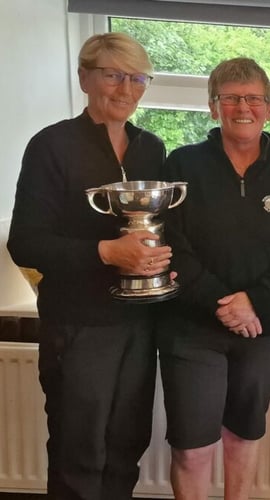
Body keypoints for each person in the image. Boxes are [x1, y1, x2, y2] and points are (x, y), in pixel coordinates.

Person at [7, 32, 168, 499]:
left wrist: (159, 258)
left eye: (137, 78)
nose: (125, 89)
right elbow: (26, 244)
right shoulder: (51, 146)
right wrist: (106, 252)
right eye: (113, 75)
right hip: (77, 325)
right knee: (80, 451)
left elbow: (161, 229)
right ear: (84, 78)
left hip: (138, 323)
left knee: (125, 446)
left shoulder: (150, 148)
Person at [156, 57, 270, 500]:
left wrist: (255, 303)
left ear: (269, 108)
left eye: (252, 98)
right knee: (192, 449)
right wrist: (224, 304)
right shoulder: (182, 165)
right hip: (192, 328)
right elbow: (173, 243)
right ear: (213, 107)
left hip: (266, 328)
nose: (241, 107)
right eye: (230, 98)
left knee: (243, 437)